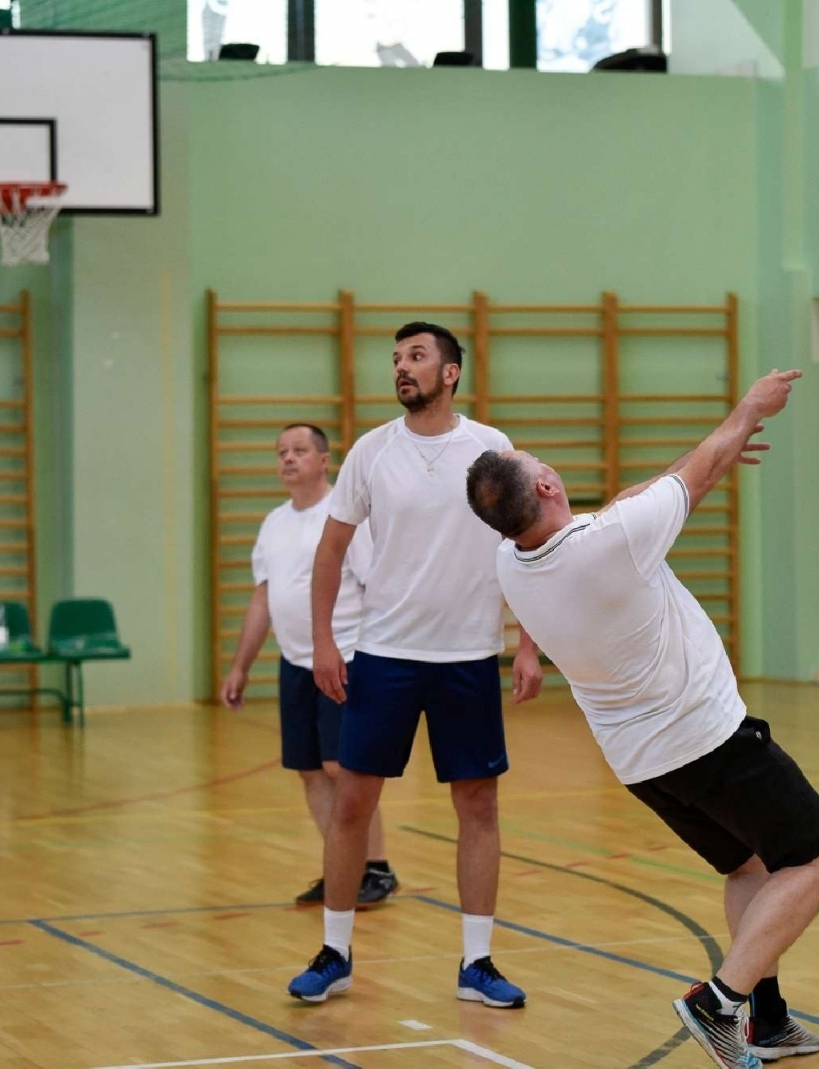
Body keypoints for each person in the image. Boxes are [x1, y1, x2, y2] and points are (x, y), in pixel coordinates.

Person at [464, 369, 819, 1068]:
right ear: (546, 485)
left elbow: (625, 506)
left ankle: (769, 1018)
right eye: (539, 464)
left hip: (644, 764)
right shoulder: (613, 544)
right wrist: (749, 410)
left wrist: (721, 450)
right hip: (710, 740)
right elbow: (687, 481)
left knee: (747, 865)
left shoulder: (514, 559)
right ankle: (719, 1000)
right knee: (817, 857)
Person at [287, 323, 544, 1009]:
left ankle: (479, 963)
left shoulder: (492, 448)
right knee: (352, 802)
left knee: (479, 805)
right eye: (397, 358)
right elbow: (330, 554)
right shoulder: (372, 452)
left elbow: (527, 544)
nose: (402, 367)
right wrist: (323, 642)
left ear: (451, 372)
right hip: (385, 655)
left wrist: (527, 641)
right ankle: (334, 951)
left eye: (417, 356)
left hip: (467, 657)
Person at [219, 423, 399, 909]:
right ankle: (340, 866)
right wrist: (241, 666)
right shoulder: (274, 522)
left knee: (344, 767)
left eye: (299, 450)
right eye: (281, 452)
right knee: (310, 771)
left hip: (345, 658)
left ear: (324, 460)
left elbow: (376, 589)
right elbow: (264, 597)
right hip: (295, 662)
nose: (288, 459)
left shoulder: (343, 518)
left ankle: (375, 867)